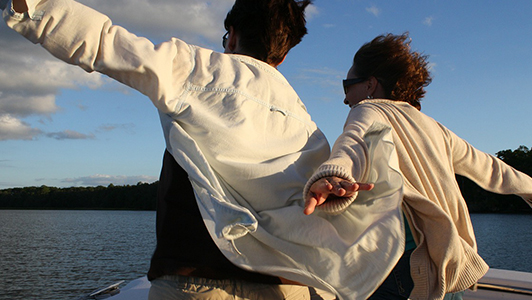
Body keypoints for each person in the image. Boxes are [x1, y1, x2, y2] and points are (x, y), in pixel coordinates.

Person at [2, 0, 392, 299]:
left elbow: (106, 43)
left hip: (199, 283)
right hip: (287, 287)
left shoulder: (199, 68)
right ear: (285, 53)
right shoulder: (303, 119)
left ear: (233, 35)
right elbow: (318, 199)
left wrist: (30, 7)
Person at [303, 32, 532, 300]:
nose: (345, 99)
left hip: (404, 265)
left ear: (370, 85)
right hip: (446, 262)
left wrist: (333, 173)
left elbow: (353, 143)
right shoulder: (434, 128)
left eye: (347, 86)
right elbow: (491, 168)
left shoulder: (369, 110)